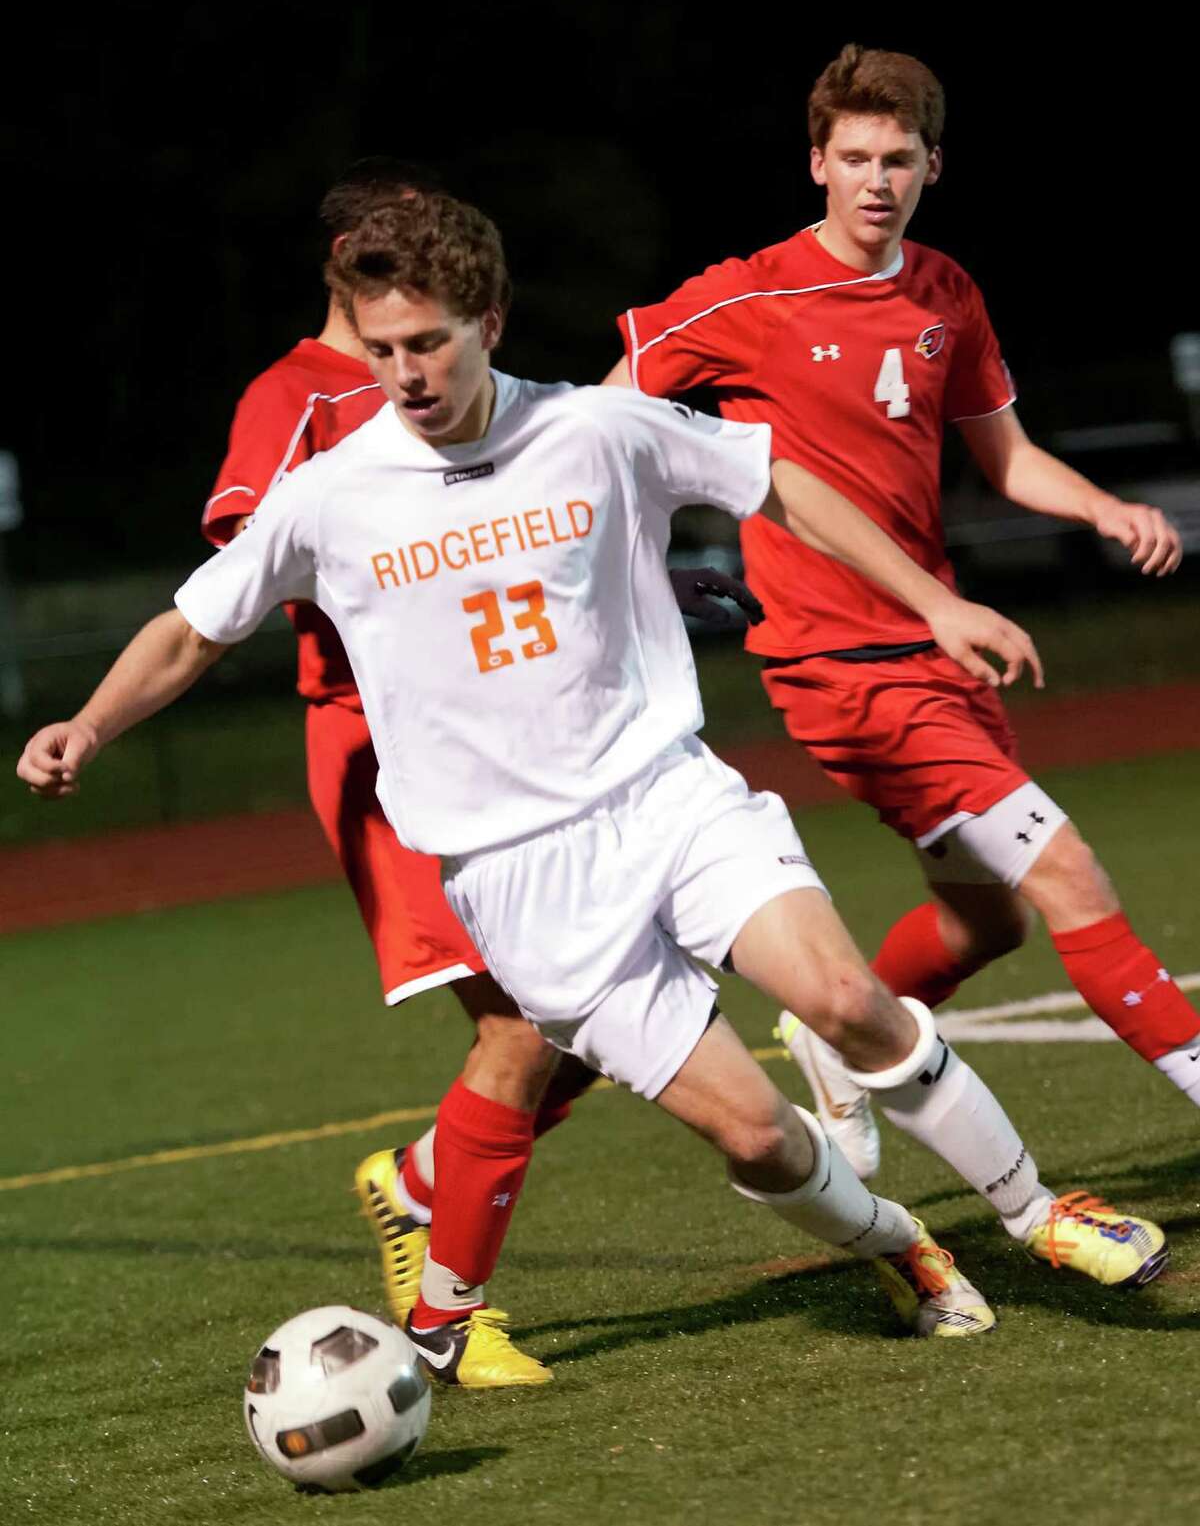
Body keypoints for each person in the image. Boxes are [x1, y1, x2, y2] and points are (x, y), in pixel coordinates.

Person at [19, 194, 1164, 1381]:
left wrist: (936, 603)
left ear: (491, 323)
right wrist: (89, 726)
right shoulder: (329, 494)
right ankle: (901, 1242)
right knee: (759, 1134)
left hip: (668, 797)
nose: (405, 374)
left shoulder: (599, 426)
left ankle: (1037, 1214)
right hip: (520, 877)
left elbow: (780, 483)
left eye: (429, 344)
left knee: (847, 999)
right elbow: (189, 632)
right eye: (383, 349)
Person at [205, 159, 763, 1388]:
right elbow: (255, 576)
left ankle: (419, 1186)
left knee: (592, 1018)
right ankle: (450, 1310)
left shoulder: (462, 378)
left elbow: (510, 548)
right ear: (345, 264)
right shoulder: (295, 396)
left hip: (518, 740)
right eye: (387, 248)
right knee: (526, 1024)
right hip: (390, 755)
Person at [608, 43, 1199, 1188]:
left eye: (901, 160)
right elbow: (601, 432)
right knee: (1070, 874)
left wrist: (1106, 507)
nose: (878, 181)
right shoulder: (744, 296)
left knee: (992, 929)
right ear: (817, 163)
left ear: (935, 166)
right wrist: (638, 564)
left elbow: (1012, 459)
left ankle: (834, 1042)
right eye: (856, 158)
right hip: (840, 663)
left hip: (942, 653)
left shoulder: (944, 293)